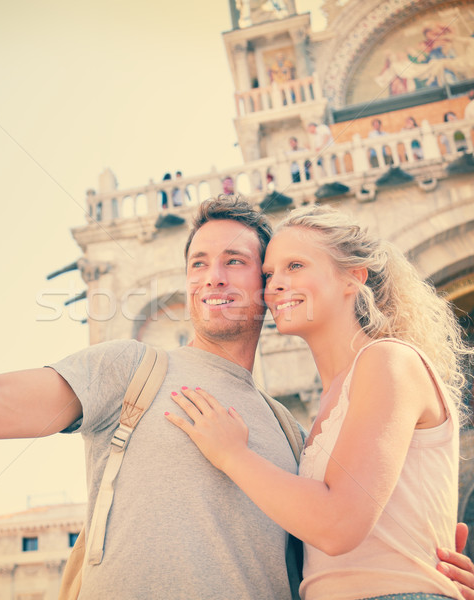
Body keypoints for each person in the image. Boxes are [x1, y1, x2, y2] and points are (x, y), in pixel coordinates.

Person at [0, 154, 474, 599]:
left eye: (237, 263)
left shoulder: (295, 432)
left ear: (266, 292)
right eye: (198, 263)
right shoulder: (129, 367)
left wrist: (425, 570)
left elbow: (335, 538)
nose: (212, 277)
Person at [167, 204, 473, 600]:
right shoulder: (332, 397)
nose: (274, 285)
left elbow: (338, 524)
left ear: (353, 278)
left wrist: (232, 455)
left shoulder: (387, 360)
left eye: (295, 266)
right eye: (269, 274)